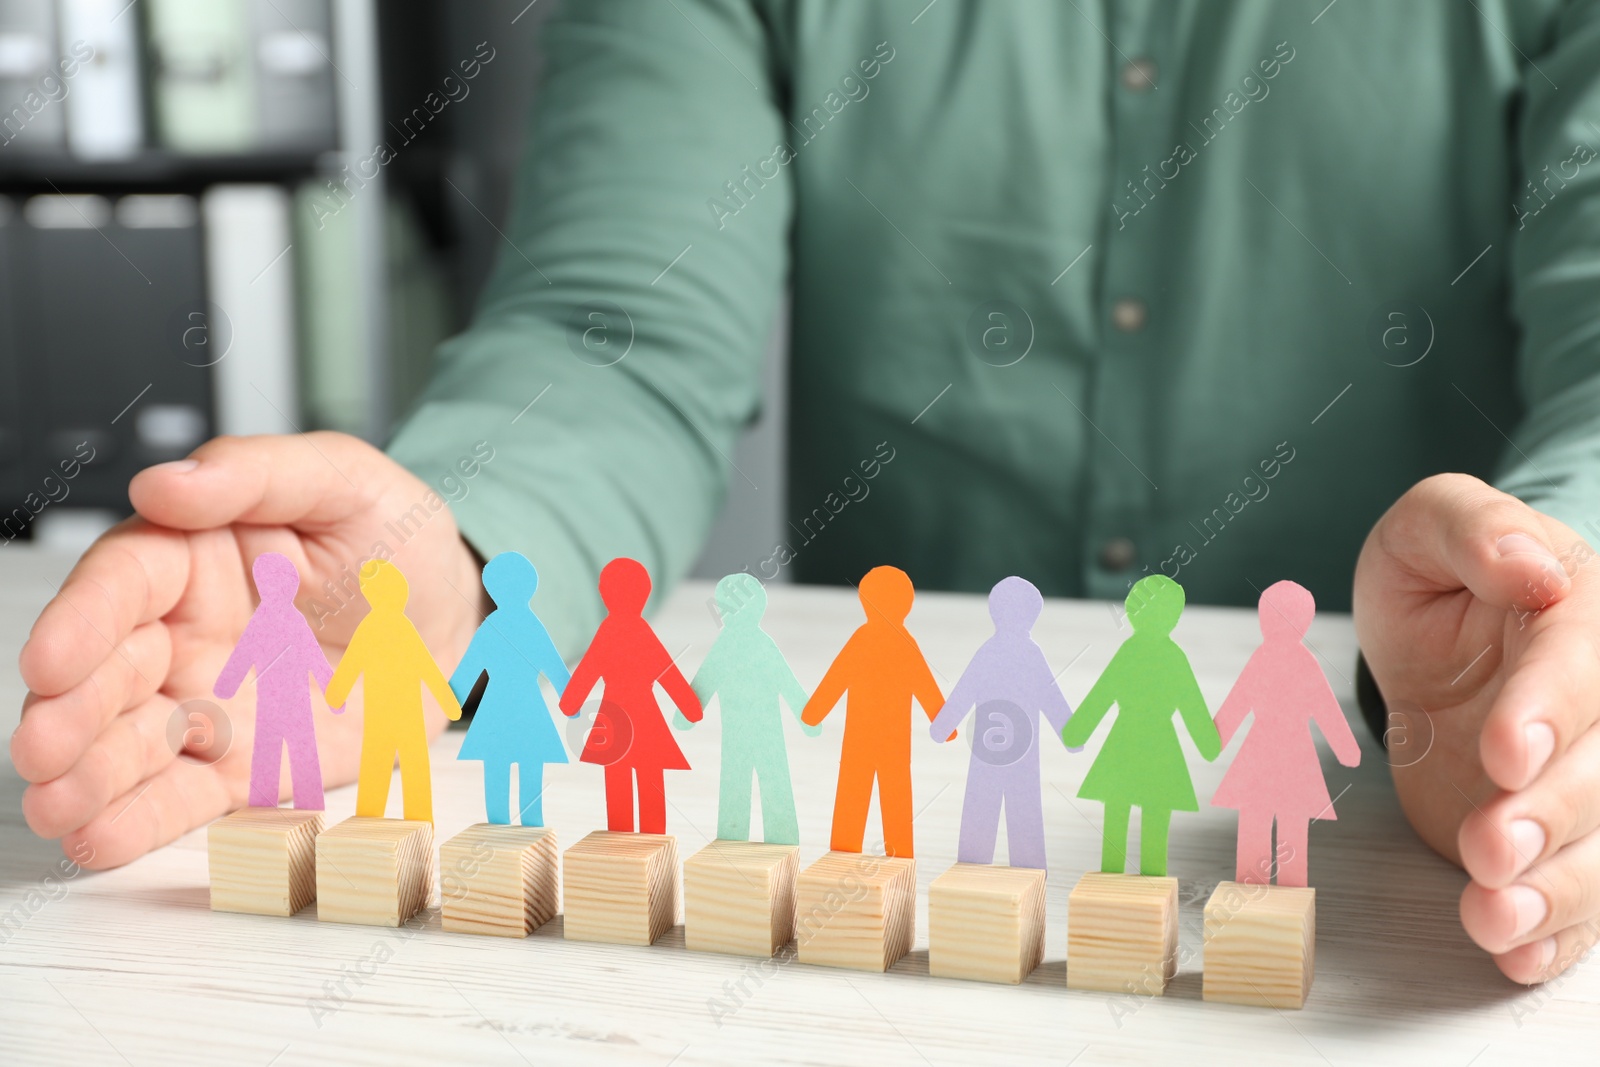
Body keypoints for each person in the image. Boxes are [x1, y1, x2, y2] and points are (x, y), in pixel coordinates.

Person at [12, 3, 1600, 982]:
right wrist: (458, 568)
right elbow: (613, 325)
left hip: (1386, 851)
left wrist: (1550, 618)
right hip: (892, 855)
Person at [1062, 575, 1221, 877]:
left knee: (1120, 808)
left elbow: (1101, 695)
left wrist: (1077, 732)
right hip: (1159, 748)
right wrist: (1208, 744)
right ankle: (1133, 876)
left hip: (1126, 744)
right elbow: (1193, 708)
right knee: (1152, 811)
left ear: (1132, 611)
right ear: (1174, 616)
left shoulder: (1132, 652)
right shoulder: (1172, 657)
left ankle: (1132, 876)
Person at [1211, 580, 1363, 887]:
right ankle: (1257, 886)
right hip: (1292, 755)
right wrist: (1347, 749)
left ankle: (1283, 889)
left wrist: (1213, 742)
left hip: (1268, 754)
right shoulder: (1293, 661)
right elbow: (1325, 710)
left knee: (1268, 817)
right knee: (1278, 819)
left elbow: (1237, 704)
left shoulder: (1278, 659)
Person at [928, 576, 1074, 870]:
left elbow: (964, 691)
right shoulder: (1025, 653)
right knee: (1018, 804)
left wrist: (942, 727)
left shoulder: (991, 651)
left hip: (993, 747)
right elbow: (1051, 697)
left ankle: (1001, 864)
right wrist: (1072, 735)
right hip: (1011, 748)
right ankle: (1013, 864)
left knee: (989, 802)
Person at [802, 565, 945, 858]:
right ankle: (895, 849)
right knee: (894, 793)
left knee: (854, 792)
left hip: (861, 739)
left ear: (865, 603)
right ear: (907, 605)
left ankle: (871, 848)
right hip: (891, 740)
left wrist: (813, 715)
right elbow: (925, 685)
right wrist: (943, 724)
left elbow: (834, 680)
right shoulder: (903, 642)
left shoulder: (863, 638)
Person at [558, 557, 701, 834]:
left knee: (618, 773)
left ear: (604, 594)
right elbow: (667, 673)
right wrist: (690, 707)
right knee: (647, 773)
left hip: (615, 717)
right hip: (643, 715)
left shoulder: (610, 631)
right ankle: (643, 832)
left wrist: (570, 702)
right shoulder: (638, 631)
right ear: (645, 595)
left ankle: (632, 833)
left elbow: (588, 670)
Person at [681, 572, 817, 845]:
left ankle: (779, 837)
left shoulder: (743, 644)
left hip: (756, 732)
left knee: (759, 779)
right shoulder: (739, 645)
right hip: (747, 732)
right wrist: (808, 718)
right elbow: (704, 684)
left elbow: (785, 682)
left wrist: (809, 717)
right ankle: (739, 838)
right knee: (745, 780)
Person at [325, 560, 463, 823]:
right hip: (392, 714)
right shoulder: (384, 628)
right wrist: (447, 703)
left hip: (399, 714)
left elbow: (425, 667)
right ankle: (372, 819)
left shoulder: (391, 627)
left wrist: (336, 694)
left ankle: (416, 820)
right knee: (393, 764)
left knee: (398, 764)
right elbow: (354, 663)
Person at [449, 551, 570, 826]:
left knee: (498, 764)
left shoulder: (495, 626)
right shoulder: (526, 626)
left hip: (500, 705)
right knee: (524, 763)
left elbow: (469, 668)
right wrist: (570, 700)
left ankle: (520, 821)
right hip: (523, 706)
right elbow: (553, 667)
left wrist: (451, 702)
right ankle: (518, 821)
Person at [213, 553, 342, 811]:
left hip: (296, 704)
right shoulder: (263, 622)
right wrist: (226, 686)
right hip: (271, 705)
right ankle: (264, 809)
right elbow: (243, 655)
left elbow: (314, 657)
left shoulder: (292, 621)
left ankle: (309, 806)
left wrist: (333, 693)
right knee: (268, 755)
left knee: (299, 754)